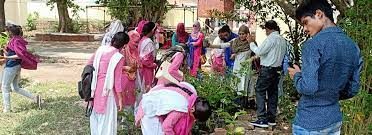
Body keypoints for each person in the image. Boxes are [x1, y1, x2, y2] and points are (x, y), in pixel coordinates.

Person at [287, 0, 363, 134]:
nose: (305, 29)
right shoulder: (353, 47)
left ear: (319, 14)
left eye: (305, 22)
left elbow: (308, 87)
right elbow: (352, 89)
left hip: (310, 121)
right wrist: (330, 95)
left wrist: (297, 75)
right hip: (334, 120)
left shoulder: (313, 45)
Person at [87, 32, 129, 135]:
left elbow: (89, 64)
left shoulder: (101, 49)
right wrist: (120, 99)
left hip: (95, 88)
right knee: (107, 123)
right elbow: (117, 81)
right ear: (124, 45)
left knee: (96, 119)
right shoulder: (119, 57)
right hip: (108, 92)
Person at [248, 20, 287, 128]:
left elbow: (259, 51)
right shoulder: (282, 40)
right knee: (273, 93)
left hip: (267, 69)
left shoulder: (271, 38)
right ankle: (271, 119)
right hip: (277, 69)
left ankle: (261, 119)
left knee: (260, 90)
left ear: (268, 29)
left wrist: (251, 43)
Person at [135, 82, 211, 135]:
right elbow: (166, 127)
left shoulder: (193, 96)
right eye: (196, 118)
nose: (194, 120)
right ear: (192, 109)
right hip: (149, 108)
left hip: (158, 99)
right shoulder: (181, 108)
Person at [1, 25, 41, 113]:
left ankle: (7, 109)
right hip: (16, 66)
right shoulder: (16, 40)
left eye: (7, 31)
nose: (7, 33)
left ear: (10, 32)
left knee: (4, 87)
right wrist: (5, 51)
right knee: (15, 88)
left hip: (11, 66)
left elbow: (20, 55)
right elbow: (12, 53)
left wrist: (7, 58)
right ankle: (35, 98)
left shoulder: (16, 40)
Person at [120, 30, 141, 112]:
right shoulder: (123, 51)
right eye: (135, 42)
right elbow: (118, 67)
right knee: (126, 103)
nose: (137, 44)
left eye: (138, 42)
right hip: (124, 81)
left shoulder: (136, 50)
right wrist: (126, 68)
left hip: (134, 79)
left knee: (134, 100)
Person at [231, 25, 253, 95]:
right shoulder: (235, 42)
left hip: (246, 67)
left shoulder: (251, 43)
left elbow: (257, 53)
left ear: (247, 34)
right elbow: (224, 45)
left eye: (243, 34)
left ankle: (244, 102)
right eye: (240, 34)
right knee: (235, 84)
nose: (241, 36)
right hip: (237, 66)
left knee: (244, 84)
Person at [138, 22, 157, 92]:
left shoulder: (142, 39)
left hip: (142, 68)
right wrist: (153, 65)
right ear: (152, 30)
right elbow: (145, 60)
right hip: (147, 69)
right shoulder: (148, 42)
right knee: (148, 87)